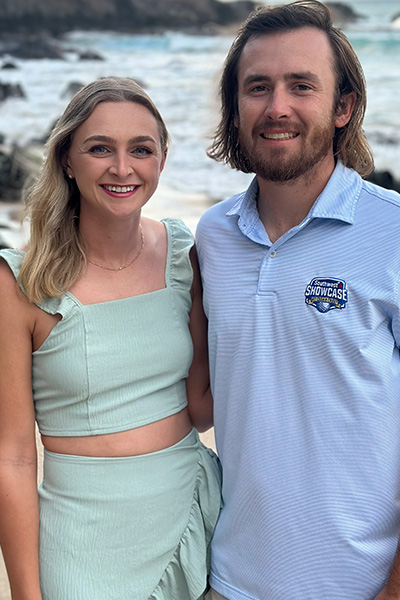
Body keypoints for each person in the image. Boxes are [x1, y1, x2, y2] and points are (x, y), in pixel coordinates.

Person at [196, 1, 400, 599]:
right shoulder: (211, 236)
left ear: (344, 107)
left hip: (360, 587)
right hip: (229, 581)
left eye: (301, 86)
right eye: (257, 87)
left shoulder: (392, 233)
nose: (276, 107)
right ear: (235, 110)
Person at [0, 76, 221, 600]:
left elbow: (203, 405)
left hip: (194, 516)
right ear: (67, 159)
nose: (123, 169)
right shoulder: (20, 283)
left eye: (140, 150)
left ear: (162, 160)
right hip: (83, 545)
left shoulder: (183, 254)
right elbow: (12, 457)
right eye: (100, 148)